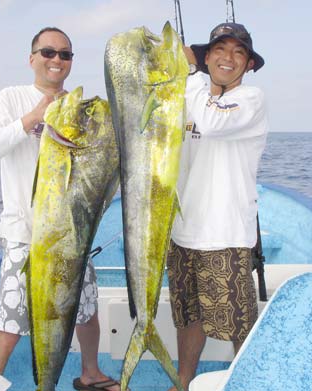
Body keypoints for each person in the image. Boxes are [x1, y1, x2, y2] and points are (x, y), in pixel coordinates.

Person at [0, 27, 123, 391]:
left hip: (73, 234)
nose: (56, 60)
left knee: (86, 314)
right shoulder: (10, 98)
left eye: (65, 54)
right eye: (48, 52)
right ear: (32, 59)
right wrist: (32, 119)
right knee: (9, 328)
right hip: (25, 236)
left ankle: (89, 373)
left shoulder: (79, 111)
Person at [166, 22, 268, 391]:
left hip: (224, 236)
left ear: (249, 65)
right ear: (208, 55)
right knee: (188, 318)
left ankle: (252, 384)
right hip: (180, 232)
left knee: (239, 324)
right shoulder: (185, 98)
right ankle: (183, 383)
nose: (228, 58)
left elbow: (210, 121)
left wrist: (190, 70)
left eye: (238, 52)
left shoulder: (250, 100)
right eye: (219, 50)